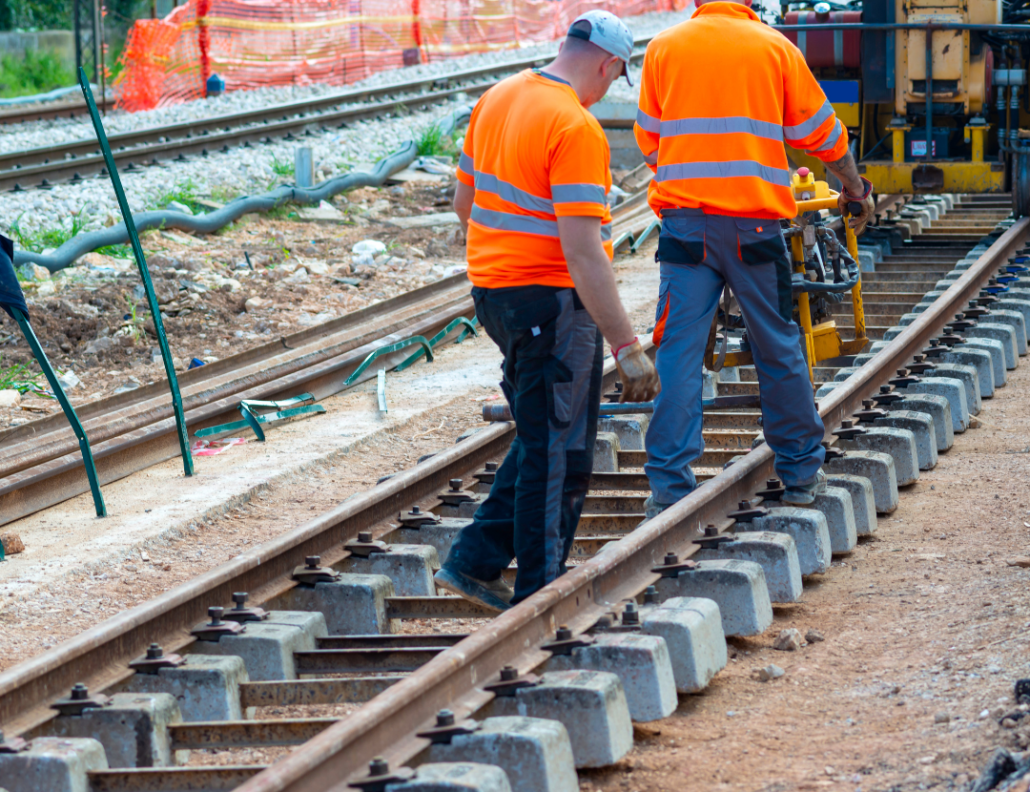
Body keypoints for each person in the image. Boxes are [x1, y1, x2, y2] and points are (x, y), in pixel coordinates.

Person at [434, 10, 661, 612]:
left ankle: (473, 561)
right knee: (561, 451)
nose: (609, 87)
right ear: (610, 65)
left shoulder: (498, 96)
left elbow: (466, 202)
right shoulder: (575, 126)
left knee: (540, 437)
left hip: (495, 295)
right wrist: (626, 346)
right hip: (551, 305)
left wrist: (511, 253)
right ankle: (539, 596)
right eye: (616, 77)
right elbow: (585, 254)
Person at [633, 0, 875, 513]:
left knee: (677, 351)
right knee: (776, 341)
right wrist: (855, 188)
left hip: (685, 228)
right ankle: (802, 472)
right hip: (755, 228)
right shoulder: (774, 48)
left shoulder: (663, 49)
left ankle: (669, 490)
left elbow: (649, 142)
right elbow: (825, 136)